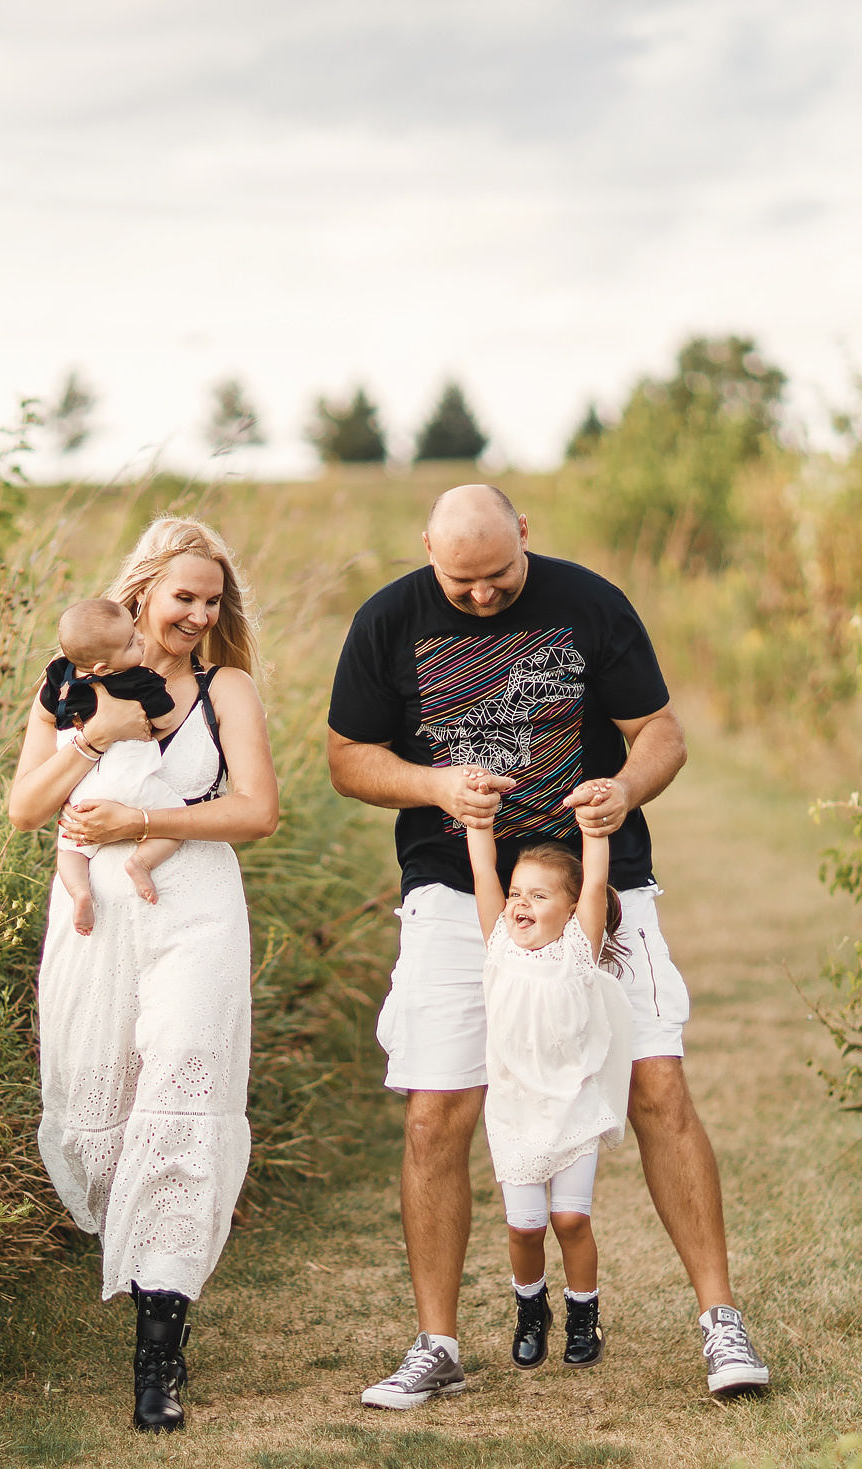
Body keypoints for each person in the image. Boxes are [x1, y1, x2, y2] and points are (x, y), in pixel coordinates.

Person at [326, 483, 772, 1407]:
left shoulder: (591, 604)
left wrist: (626, 789)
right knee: (434, 1109)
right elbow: (347, 757)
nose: (484, 595)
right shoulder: (387, 622)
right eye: (463, 581)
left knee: (658, 1083)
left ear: (525, 536)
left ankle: (722, 1326)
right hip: (455, 894)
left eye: (499, 575)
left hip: (598, 886)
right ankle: (438, 1345)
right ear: (428, 551)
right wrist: (435, 785)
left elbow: (660, 734)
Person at [7, 517, 279, 1433]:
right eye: (184, 597)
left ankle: (158, 1357)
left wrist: (142, 828)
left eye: (213, 601)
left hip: (194, 908)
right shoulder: (70, 683)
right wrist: (96, 738)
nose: (199, 614)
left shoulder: (224, 688)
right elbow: (23, 807)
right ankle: (137, 1277)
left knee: (180, 1090)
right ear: (143, 594)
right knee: (105, 1109)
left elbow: (258, 809)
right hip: (96, 919)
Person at [461, 819, 634, 1384]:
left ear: (570, 907)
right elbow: (483, 870)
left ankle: (585, 1317)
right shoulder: (497, 949)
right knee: (525, 1228)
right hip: (514, 1115)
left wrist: (595, 829)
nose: (519, 905)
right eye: (516, 895)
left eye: (538, 896)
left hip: (573, 1110)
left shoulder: (576, 953)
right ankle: (530, 1310)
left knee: (570, 1219)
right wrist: (477, 824)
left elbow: (596, 878)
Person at [41, 596, 182, 936]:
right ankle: (141, 862)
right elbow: (166, 718)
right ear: (103, 668)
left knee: (70, 847)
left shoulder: (61, 676)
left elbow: (48, 709)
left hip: (80, 786)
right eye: (132, 642)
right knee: (177, 816)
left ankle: (79, 890)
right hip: (127, 780)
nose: (142, 640)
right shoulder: (138, 679)